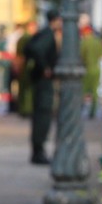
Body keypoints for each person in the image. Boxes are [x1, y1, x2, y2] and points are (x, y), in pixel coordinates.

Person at [25, 9, 61, 165]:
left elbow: (30, 48)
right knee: (43, 115)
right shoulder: (48, 34)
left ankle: (38, 150)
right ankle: (38, 151)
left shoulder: (44, 33)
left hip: (41, 80)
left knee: (42, 114)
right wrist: (45, 67)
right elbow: (36, 49)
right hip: (43, 82)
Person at [79, 16, 102, 118]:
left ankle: (80, 109)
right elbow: (101, 55)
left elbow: (81, 56)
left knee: (83, 91)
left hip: (86, 69)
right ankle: (92, 112)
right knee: (94, 91)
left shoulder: (83, 42)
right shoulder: (98, 42)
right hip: (96, 69)